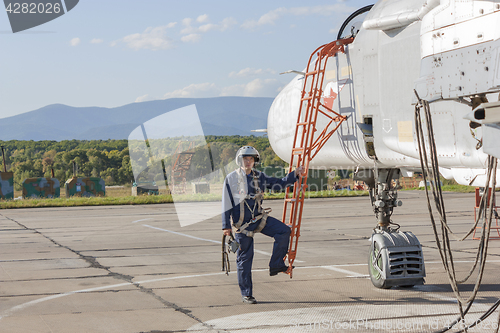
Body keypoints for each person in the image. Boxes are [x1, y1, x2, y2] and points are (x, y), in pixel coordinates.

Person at [222, 146, 304, 304]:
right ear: (240, 161)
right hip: (242, 225)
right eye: (245, 159)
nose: (248, 161)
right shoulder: (231, 179)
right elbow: (226, 203)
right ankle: (247, 294)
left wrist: (295, 174)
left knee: (284, 231)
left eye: (251, 159)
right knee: (245, 259)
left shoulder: (260, 177)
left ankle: (276, 264)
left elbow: (279, 183)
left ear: (254, 161)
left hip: (259, 219)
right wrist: (226, 226)